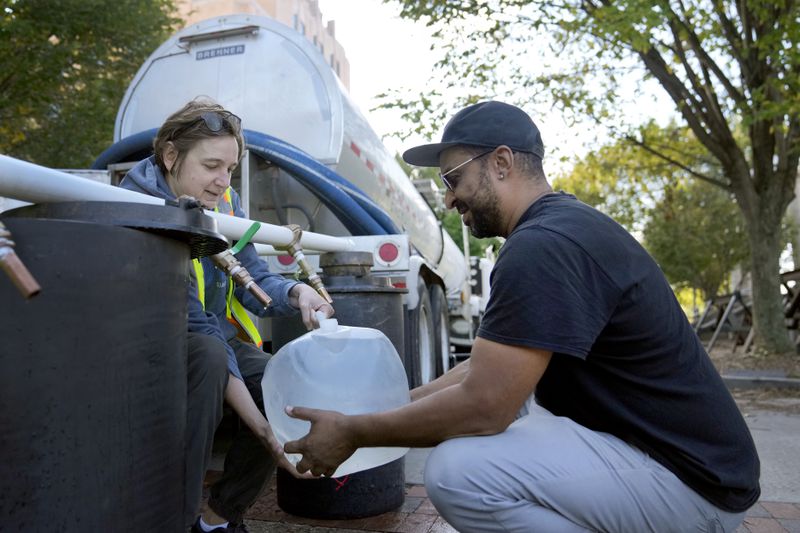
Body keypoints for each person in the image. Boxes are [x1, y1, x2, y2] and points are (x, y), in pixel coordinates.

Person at [283, 101, 760, 532]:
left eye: (453, 180)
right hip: (683, 463)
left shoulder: (542, 246)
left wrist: (356, 432)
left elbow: (486, 405)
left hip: (691, 484)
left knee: (460, 474)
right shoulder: (557, 229)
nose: (448, 199)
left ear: (502, 162)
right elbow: (489, 367)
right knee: (513, 419)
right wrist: (391, 407)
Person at [120, 97, 333, 533]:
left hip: (214, 332)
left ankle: (218, 517)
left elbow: (251, 276)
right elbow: (191, 320)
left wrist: (297, 292)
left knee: (281, 383)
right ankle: (169, 516)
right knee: (211, 360)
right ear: (171, 156)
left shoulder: (228, 203)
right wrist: (259, 426)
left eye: (230, 168)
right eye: (212, 166)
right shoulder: (139, 201)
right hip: (152, 337)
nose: (223, 181)